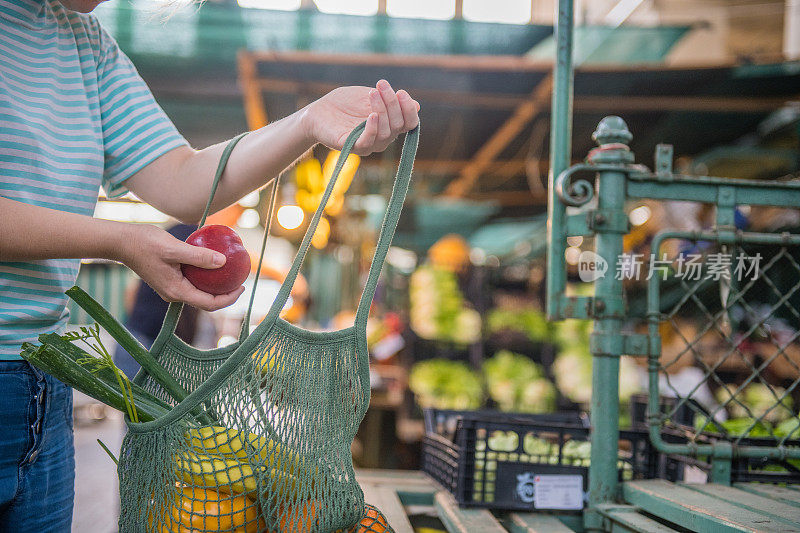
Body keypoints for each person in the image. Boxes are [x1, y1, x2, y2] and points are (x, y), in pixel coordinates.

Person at [0, 0, 421, 528]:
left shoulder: (86, 44)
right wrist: (120, 241)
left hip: (43, 379)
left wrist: (310, 121)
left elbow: (183, 177)